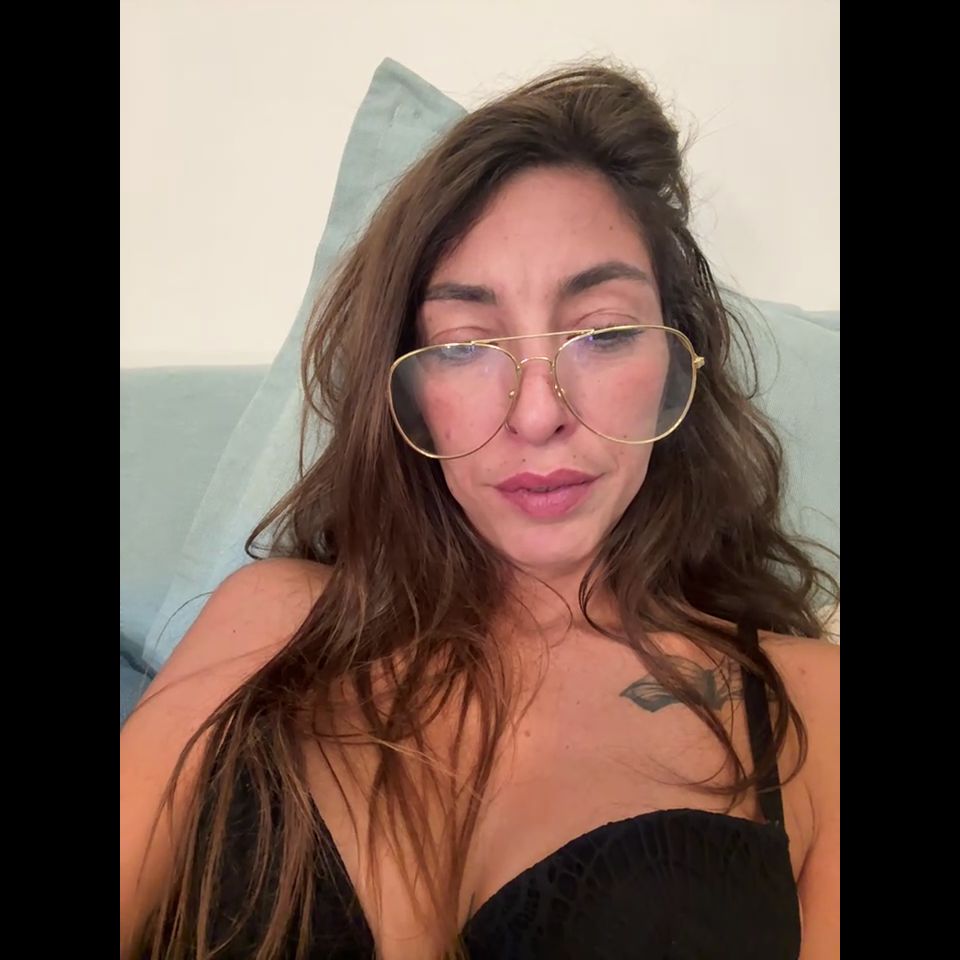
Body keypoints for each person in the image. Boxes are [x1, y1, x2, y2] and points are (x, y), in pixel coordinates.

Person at [120, 62, 839, 960]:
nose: (538, 414)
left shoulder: (814, 710)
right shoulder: (268, 622)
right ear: (411, 392)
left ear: (675, 362)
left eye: (604, 332)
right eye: (465, 346)